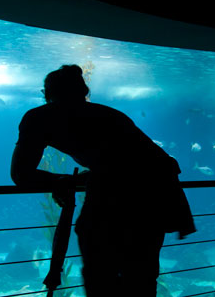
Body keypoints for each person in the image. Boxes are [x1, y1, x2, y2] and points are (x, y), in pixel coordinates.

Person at [10, 65, 196, 297]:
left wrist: (61, 181)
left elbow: (20, 174)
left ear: (47, 93)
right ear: (83, 90)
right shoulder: (110, 116)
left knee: (100, 273)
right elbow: (149, 161)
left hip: (111, 200)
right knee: (141, 278)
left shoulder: (39, 118)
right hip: (150, 202)